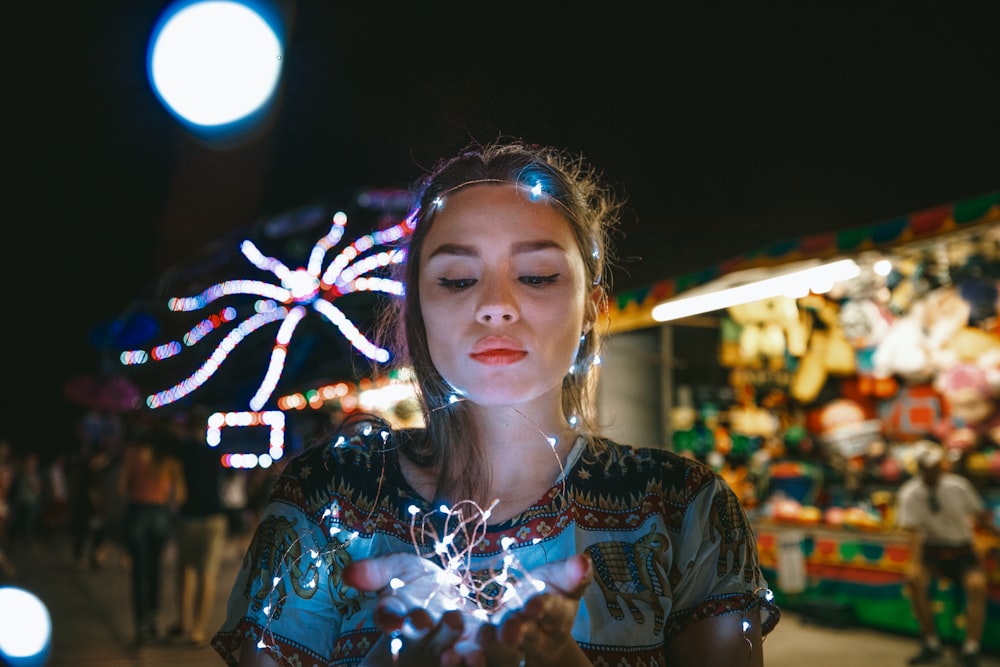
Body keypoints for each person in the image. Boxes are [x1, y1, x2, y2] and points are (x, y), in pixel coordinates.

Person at [213, 139, 780, 667]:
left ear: (593, 307)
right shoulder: (327, 499)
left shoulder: (685, 510)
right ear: (418, 310)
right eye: (457, 280)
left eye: (536, 276)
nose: (496, 306)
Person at [896, 439, 999, 667]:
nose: (932, 470)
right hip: (931, 552)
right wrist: (915, 564)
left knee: (977, 585)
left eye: (935, 465)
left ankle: (971, 648)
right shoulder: (910, 494)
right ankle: (931, 642)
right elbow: (913, 533)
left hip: (962, 550)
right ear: (920, 467)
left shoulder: (958, 486)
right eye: (927, 466)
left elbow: (980, 516)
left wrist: (996, 537)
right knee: (915, 582)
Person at [119, 418, 187, 647]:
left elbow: (121, 487)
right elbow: (178, 495)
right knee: (155, 568)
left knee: (139, 572)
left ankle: (140, 626)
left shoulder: (132, 455)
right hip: (159, 514)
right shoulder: (169, 460)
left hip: (137, 512)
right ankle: (154, 620)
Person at [167, 407, 228, 646]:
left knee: (186, 571)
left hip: (188, 516)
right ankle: (199, 630)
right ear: (204, 428)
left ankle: (184, 621)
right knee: (207, 574)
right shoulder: (214, 454)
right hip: (215, 517)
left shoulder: (178, 452)